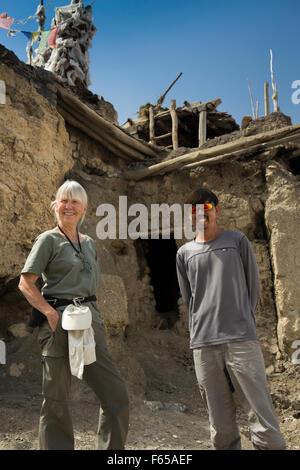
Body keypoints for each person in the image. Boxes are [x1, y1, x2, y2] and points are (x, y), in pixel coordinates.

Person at [18, 180, 129, 450]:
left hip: (89, 322)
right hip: (57, 324)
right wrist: (48, 312)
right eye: (63, 200)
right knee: (56, 400)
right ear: (55, 206)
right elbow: (25, 283)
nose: (68, 206)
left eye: (74, 201)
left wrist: (95, 313)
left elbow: (90, 284)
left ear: (84, 209)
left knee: (115, 396)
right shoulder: (48, 240)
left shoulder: (89, 243)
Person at [176, 188, 286, 450]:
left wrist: (241, 319)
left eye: (206, 209)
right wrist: (198, 330)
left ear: (216, 210)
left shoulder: (237, 241)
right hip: (203, 343)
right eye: (194, 211)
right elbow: (189, 297)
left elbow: (253, 288)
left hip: (240, 339)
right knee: (219, 418)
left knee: (260, 412)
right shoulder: (184, 253)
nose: (201, 215)